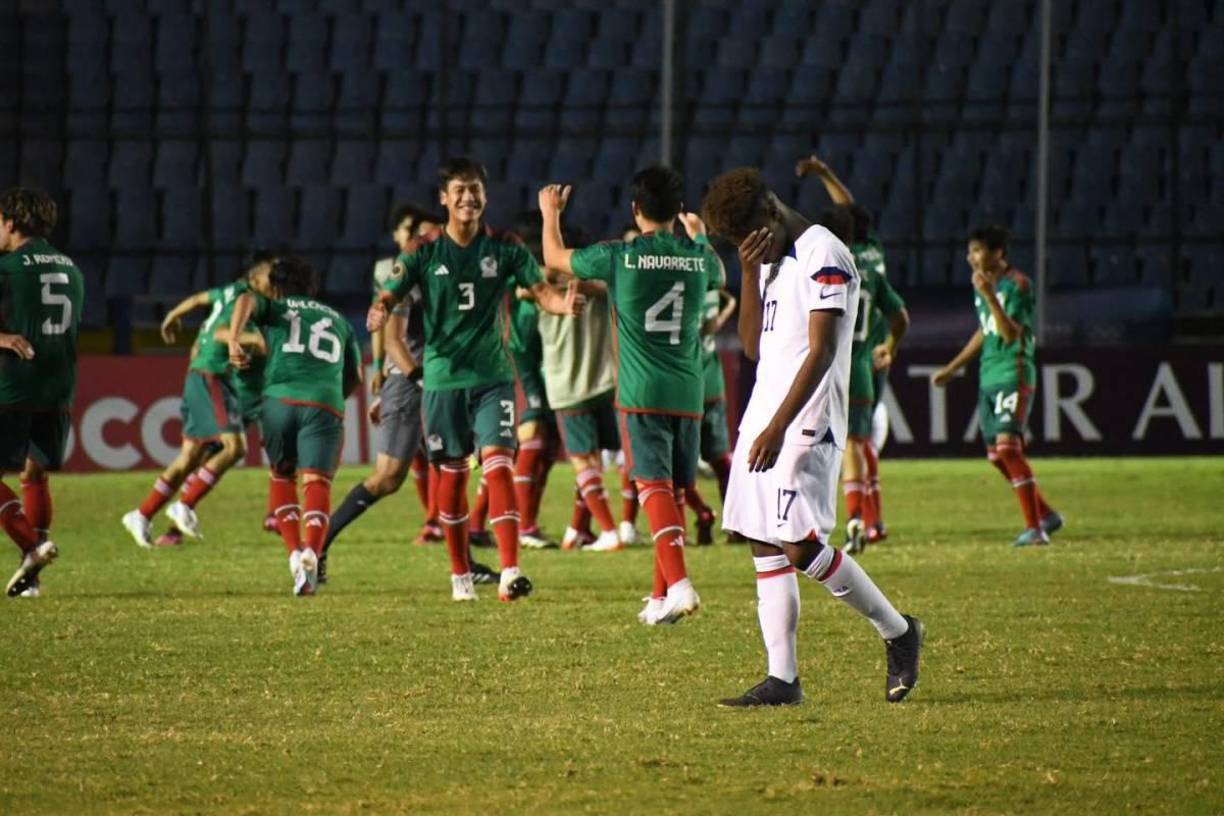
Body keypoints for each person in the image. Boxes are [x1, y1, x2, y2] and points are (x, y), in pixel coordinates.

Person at [700, 168, 923, 706]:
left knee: (800, 545)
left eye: (753, 237)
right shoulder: (769, 259)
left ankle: (898, 631)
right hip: (765, 412)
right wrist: (748, 268)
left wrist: (779, 426)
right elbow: (752, 347)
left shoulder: (825, 253)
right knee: (761, 536)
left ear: (773, 210)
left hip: (806, 418)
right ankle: (783, 678)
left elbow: (822, 351)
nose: (752, 246)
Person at [367, 157, 583, 602]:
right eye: (459, 190)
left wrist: (562, 305)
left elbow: (540, 291)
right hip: (443, 379)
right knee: (451, 477)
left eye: (475, 190)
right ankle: (460, 573)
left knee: (499, 463)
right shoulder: (424, 249)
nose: (468, 197)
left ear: (486, 196)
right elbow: (392, 291)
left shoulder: (504, 248)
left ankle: (509, 571)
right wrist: (380, 309)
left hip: (492, 378)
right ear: (444, 198)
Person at [538, 166, 721, 624]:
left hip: (642, 392)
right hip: (689, 389)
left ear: (635, 210)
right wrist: (697, 236)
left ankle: (679, 585)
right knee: (675, 489)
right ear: (678, 211)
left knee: (651, 486)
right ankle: (660, 598)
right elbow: (718, 271)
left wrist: (549, 214)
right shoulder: (699, 258)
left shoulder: (620, 255)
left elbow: (556, 257)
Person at [226, 256, 362, 595]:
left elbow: (244, 299)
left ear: (274, 287)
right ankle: (312, 555)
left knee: (282, 475)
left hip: (279, 400)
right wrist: (331, 399)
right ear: (312, 288)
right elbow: (356, 376)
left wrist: (233, 339)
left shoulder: (275, 308)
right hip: (324, 404)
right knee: (317, 483)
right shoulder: (340, 321)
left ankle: (293, 554)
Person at [797, 156, 909, 553]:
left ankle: (851, 518)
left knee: (833, 446)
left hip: (836, 362)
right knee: (860, 445)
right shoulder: (873, 259)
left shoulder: (827, 263)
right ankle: (870, 518)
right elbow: (901, 316)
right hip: (868, 361)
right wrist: (891, 347)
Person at [121, 257, 270, 549]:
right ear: (254, 278)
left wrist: (172, 314)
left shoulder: (228, 292)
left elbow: (198, 299)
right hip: (212, 375)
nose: (273, 281)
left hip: (201, 374)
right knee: (234, 447)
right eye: (269, 275)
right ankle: (184, 505)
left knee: (191, 456)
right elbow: (220, 333)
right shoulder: (246, 297)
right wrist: (255, 339)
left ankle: (142, 514)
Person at [931, 225, 1063, 547]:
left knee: (1007, 447)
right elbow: (986, 330)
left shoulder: (1018, 285)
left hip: (1013, 371)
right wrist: (953, 367)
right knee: (995, 455)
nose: (971, 257)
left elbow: (1009, 333)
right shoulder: (982, 285)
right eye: (970, 251)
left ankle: (1036, 530)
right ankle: (1045, 514)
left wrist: (990, 295)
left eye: (978, 250)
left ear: (998, 252)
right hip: (989, 374)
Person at [0, 187, 85, 597]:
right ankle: (31, 576)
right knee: (34, 473)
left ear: (11, 222)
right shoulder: (72, 268)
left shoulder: (10, 268)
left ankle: (31, 549)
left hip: (14, 385)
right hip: (59, 385)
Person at [371, 204, 445, 547]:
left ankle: (441, 520)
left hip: (439, 369)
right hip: (410, 370)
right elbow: (384, 323)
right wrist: (379, 366)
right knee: (414, 455)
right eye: (410, 232)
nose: (416, 239)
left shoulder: (444, 267)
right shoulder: (388, 270)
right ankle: (436, 519)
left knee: (443, 450)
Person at [684, 262, 737, 545]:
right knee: (721, 460)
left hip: (685, 390)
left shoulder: (684, 293)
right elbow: (713, 323)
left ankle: (702, 513)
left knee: (670, 468)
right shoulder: (713, 295)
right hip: (713, 385)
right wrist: (730, 306)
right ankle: (737, 525)